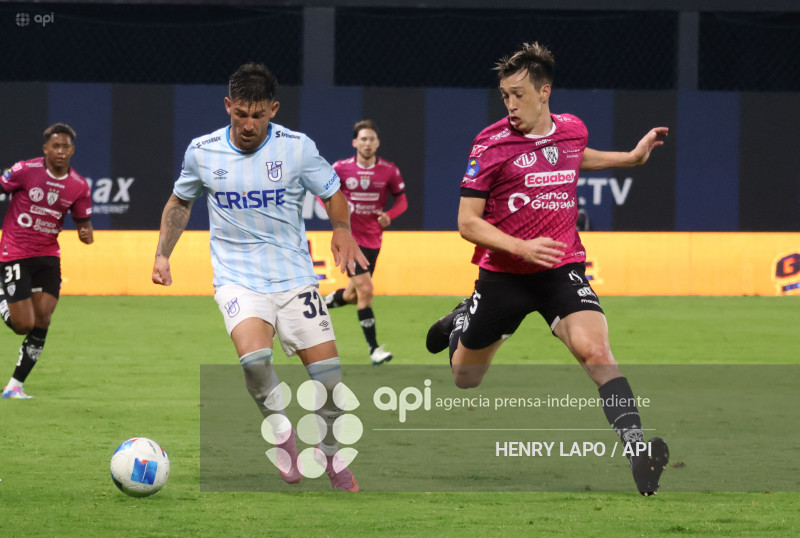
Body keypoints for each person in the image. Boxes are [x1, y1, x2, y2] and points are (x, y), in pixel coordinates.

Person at [425, 42, 670, 495]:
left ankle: (639, 453)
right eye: (505, 95)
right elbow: (467, 222)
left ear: (544, 92)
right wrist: (521, 246)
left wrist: (631, 159)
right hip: (503, 277)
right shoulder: (490, 143)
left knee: (596, 353)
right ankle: (461, 318)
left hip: (560, 269)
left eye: (518, 95)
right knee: (465, 378)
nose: (510, 104)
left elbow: (576, 157)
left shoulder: (572, 129)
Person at [152, 62, 367, 492]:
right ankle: (282, 436)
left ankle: (330, 454)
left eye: (258, 115)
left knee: (329, 382)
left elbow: (333, 193)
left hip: (295, 278)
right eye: (240, 114)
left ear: (273, 109)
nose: (248, 125)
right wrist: (162, 254)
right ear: (227, 106)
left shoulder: (297, 147)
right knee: (254, 360)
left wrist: (342, 229)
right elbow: (180, 202)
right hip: (238, 279)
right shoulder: (202, 151)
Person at [0, 123, 93, 400]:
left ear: (72, 150)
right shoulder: (25, 170)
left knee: (43, 318)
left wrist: (86, 233)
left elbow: (83, 224)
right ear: (46, 149)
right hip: (16, 252)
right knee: (23, 325)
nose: (61, 151)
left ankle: (14, 386)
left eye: (66, 146)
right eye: (56, 146)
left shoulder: (78, 185)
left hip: (48, 256)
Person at [325, 120, 407, 365]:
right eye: (363, 139)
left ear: (377, 142)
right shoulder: (340, 168)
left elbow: (402, 201)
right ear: (355, 142)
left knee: (353, 295)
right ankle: (374, 350)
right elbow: (323, 193)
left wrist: (389, 216)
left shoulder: (389, 171)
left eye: (371, 139)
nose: (367, 143)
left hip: (374, 240)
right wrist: (335, 216)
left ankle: (320, 304)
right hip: (350, 239)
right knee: (366, 290)